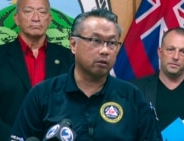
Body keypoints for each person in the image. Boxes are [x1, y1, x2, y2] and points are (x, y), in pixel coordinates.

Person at [10, 8, 163, 141]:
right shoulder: (42, 95)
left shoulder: (133, 98)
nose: (105, 50)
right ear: (73, 45)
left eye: (112, 43)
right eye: (96, 40)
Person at [0, 0, 74, 140]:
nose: (36, 17)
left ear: (50, 19)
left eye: (42, 12)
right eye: (28, 11)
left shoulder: (69, 59)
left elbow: (76, 107)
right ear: (16, 18)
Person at [130, 27, 184, 131]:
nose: (175, 57)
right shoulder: (134, 90)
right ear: (160, 52)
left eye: (183, 52)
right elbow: (126, 132)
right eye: (170, 49)